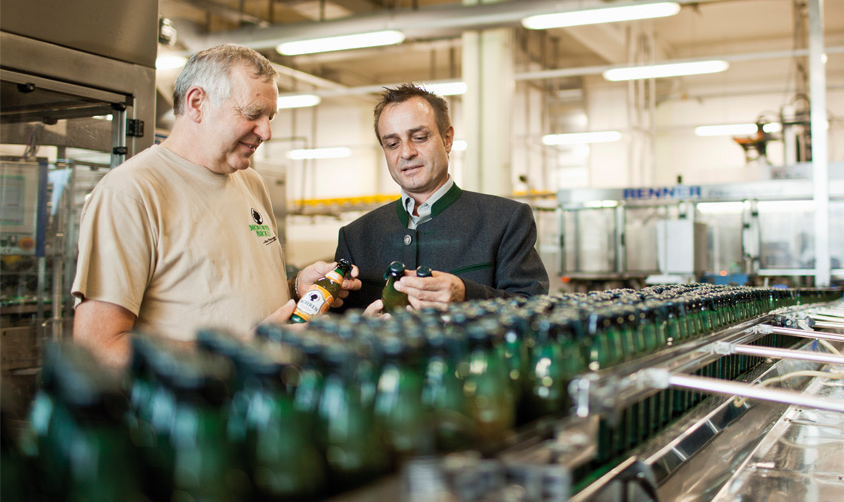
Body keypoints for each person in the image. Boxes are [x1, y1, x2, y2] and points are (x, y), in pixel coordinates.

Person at [71, 44, 359, 369]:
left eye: (270, 117)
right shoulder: (130, 193)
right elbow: (99, 348)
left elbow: (231, 290)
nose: (266, 131)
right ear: (198, 103)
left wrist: (295, 287)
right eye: (253, 114)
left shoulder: (250, 182)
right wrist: (231, 353)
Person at [335, 83, 548, 313]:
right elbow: (333, 323)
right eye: (392, 144)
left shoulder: (505, 221)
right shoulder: (355, 237)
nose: (406, 152)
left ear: (447, 139)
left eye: (419, 137)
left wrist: (466, 294)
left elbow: (535, 310)